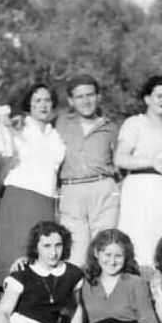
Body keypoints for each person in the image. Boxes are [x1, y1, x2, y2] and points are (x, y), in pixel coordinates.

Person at [0, 85, 66, 284]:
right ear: (28, 104)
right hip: (21, 197)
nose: (43, 105)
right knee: (19, 254)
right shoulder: (17, 127)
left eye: (47, 100)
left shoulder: (55, 134)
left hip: (47, 200)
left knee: (42, 256)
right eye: (37, 101)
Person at [115, 75, 162, 267]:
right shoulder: (134, 124)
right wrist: (152, 162)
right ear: (147, 99)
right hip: (141, 190)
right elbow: (120, 158)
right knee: (142, 244)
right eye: (159, 95)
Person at [56, 74, 120, 267]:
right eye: (80, 96)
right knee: (76, 252)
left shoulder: (110, 127)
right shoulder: (60, 123)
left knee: (105, 248)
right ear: (71, 101)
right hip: (71, 191)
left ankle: (102, 295)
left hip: (103, 188)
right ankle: (75, 295)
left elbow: (121, 159)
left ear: (98, 97)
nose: (86, 101)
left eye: (90, 95)